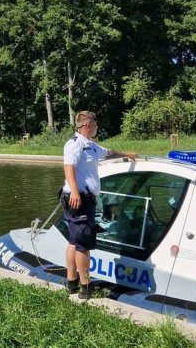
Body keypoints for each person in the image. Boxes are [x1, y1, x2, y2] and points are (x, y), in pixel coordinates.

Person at [61, 111, 137, 299]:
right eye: (95, 124)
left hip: (85, 199)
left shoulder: (91, 146)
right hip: (78, 199)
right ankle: (85, 288)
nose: (97, 127)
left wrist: (127, 155)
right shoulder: (74, 144)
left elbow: (108, 153)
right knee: (82, 244)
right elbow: (68, 167)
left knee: (74, 241)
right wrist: (76, 191)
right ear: (87, 125)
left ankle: (71, 282)